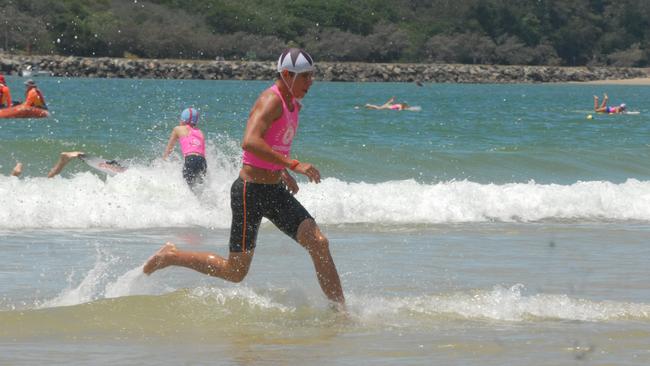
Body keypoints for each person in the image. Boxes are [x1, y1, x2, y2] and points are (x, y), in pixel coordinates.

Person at [143, 48, 346, 310]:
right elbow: (249, 142)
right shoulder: (271, 101)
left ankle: (340, 312)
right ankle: (170, 256)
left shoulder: (294, 104)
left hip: (274, 190)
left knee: (319, 243)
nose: (311, 82)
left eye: (312, 76)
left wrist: (281, 171)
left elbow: (271, 143)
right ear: (286, 74)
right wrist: (293, 164)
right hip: (250, 192)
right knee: (235, 271)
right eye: (305, 76)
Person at [163, 107, 207, 189]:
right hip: (202, 162)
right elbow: (203, 151)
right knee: (200, 188)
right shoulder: (200, 132)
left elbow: (170, 147)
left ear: (182, 120)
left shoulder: (177, 129)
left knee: (187, 188)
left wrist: (165, 158)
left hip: (191, 159)